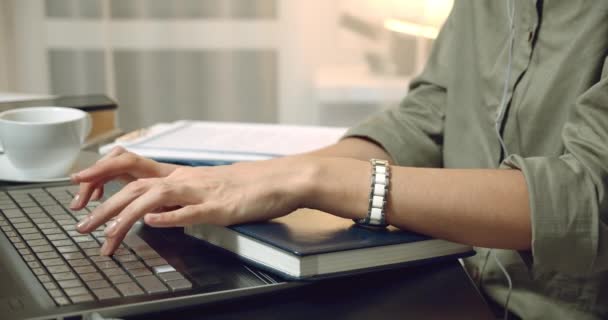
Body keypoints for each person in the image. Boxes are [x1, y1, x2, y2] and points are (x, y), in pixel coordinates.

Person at [70, 1, 608, 319]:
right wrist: (248, 180)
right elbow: (429, 114)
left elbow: (582, 199)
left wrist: (311, 178)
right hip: (450, 284)